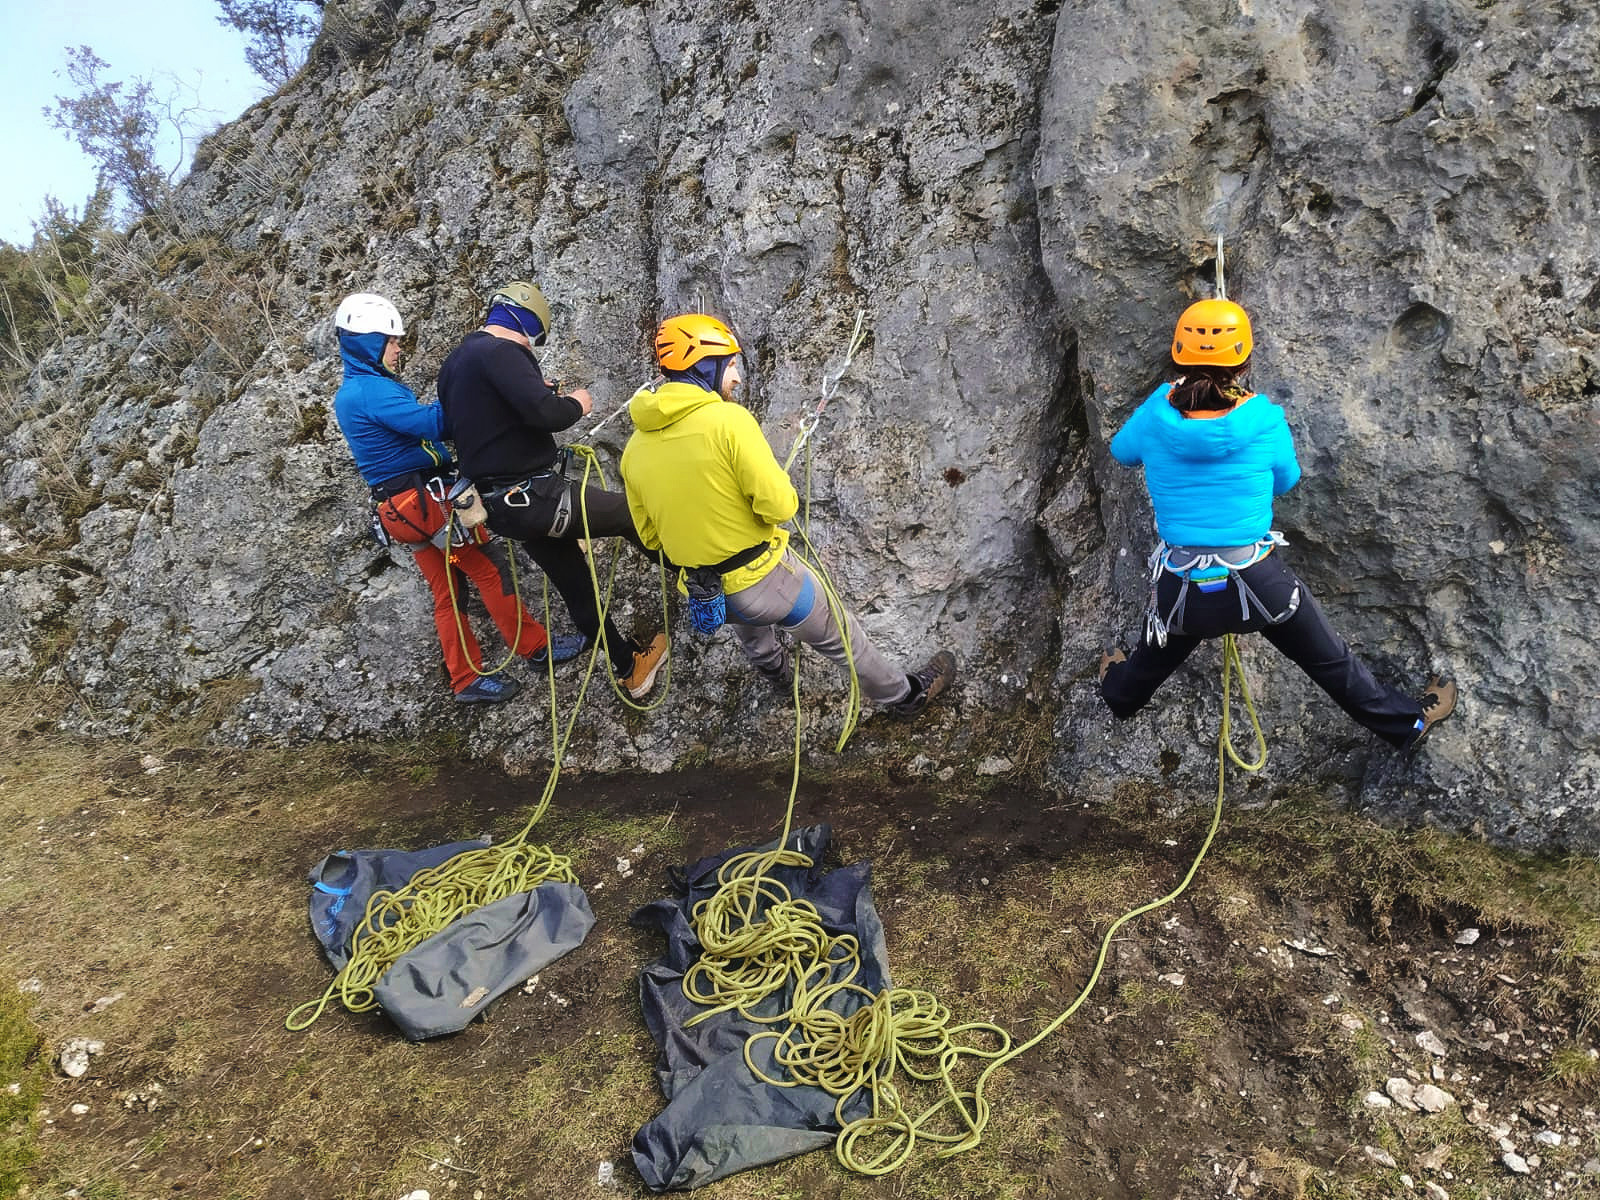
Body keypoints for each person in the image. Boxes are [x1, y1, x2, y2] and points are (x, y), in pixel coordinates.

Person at [1098, 297, 1457, 748]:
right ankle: (1408, 725)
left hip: (1183, 588)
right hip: (1256, 582)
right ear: (1245, 362)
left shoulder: (1155, 416)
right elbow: (1287, 480)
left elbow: (1121, 452)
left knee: (1151, 660)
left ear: (1176, 356)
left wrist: (1160, 406)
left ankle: (1117, 691)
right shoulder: (1263, 419)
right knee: (1331, 663)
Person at [619, 312, 956, 717]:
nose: (737, 378)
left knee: (751, 628)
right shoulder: (728, 422)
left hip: (706, 591)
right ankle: (903, 696)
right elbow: (780, 506)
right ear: (704, 365)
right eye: (730, 365)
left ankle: (777, 674)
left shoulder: (635, 448)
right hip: (767, 584)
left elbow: (650, 537)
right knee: (841, 635)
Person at [331, 293, 584, 705]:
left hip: (400, 508)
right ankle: (537, 649)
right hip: (425, 504)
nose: (399, 349)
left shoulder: (360, 390)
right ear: (368, 342)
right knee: (490, 571)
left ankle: (465, 679)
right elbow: (436, 423)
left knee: (448, 594)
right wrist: (503, 399)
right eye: (392, 342)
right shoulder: (368, 392)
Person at [436, 281, 668, 699]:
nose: (530, 346)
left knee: (575, 587)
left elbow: (470, 424)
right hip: (537, 496)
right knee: (632, 516)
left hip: (503, 508)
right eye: (533, 336)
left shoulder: (456, 363)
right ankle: (700, 578)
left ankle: (630, 667)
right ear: (525, 320)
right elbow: (548, 414)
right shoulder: (503, 351)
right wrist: (578, 401)